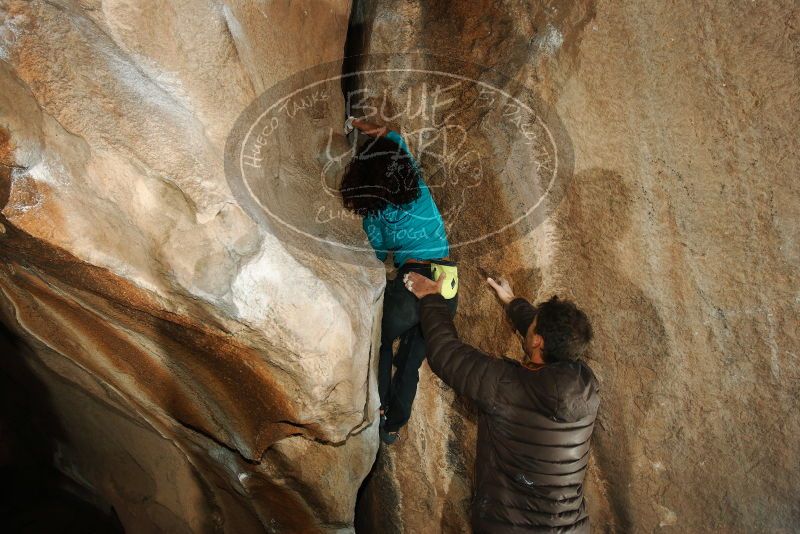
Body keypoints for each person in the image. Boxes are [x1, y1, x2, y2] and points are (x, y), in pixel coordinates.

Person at [403, 271, 599, 532]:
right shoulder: (587, 384)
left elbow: (446, 353)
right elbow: (554, 341)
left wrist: (430, 298)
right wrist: (512, 302)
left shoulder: (508, 386)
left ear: (538, 340)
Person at [339, 118, 459, 444]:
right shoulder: (415, 181)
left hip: (414, 282)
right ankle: (393, 425)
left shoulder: (375, 212)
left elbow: (378, 253)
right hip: (447, 283)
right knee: (411, 359)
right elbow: (392, 135)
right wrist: (362, 124)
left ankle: (376, 408)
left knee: (377, 338)